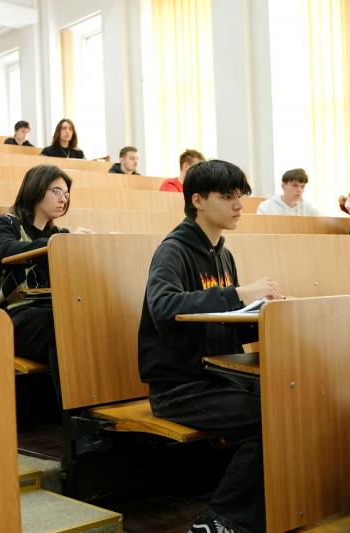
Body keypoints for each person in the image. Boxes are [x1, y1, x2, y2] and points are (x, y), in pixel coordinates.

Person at [139, 159, 284, 533]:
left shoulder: (223, 254)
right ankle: (217, 523)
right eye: (228, 197)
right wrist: (238, 294)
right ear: (198, 200)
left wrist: (266, 313)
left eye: (241, 196)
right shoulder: (173, 250)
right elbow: (164, 307)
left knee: (295, 400)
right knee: (269, 416)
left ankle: (281, 511)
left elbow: (222, 322)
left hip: (219, 378)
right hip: (179, 387)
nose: (239, 205)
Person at [0, 165, 90, 386]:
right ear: (36, 188)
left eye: (66, 194)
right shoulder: (6, 224)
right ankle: (73, 405)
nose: (63, 199)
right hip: (7, 317)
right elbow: (4, 250)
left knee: (88, 318)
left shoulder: (59, 234)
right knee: (60, 324)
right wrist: (55, 245)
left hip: (47, 310)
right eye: (56, 191)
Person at [256, 168, 321, 216]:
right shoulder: (267, 207)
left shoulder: (306, 206)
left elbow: (324, 220)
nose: (299, 190)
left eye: (302, 186)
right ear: (283, 186)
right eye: (295, 185)